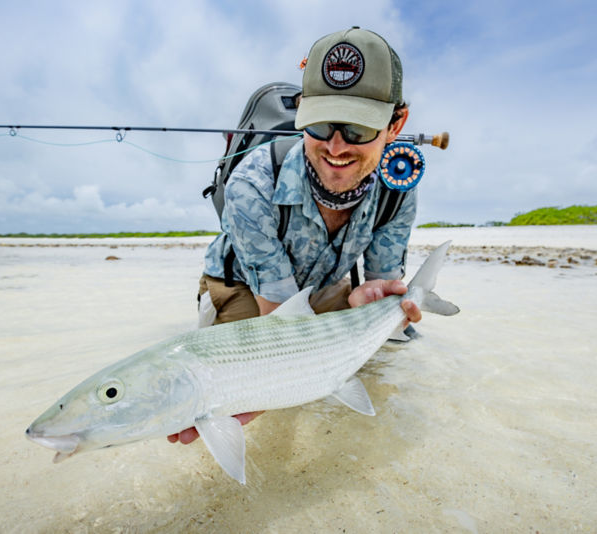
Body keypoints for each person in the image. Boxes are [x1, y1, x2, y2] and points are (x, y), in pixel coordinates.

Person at [168, 27, 421, 445]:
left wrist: (370, 303)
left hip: (320, 286)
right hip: (244, 288)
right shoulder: (251, 185)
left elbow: (380, 284)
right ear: (302, 112)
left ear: (396, 124)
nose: (337, 148)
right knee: (252, 386)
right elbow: (279, 327)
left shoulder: (398, 190)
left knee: (378, 359)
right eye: (320, 126)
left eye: (358, 129)